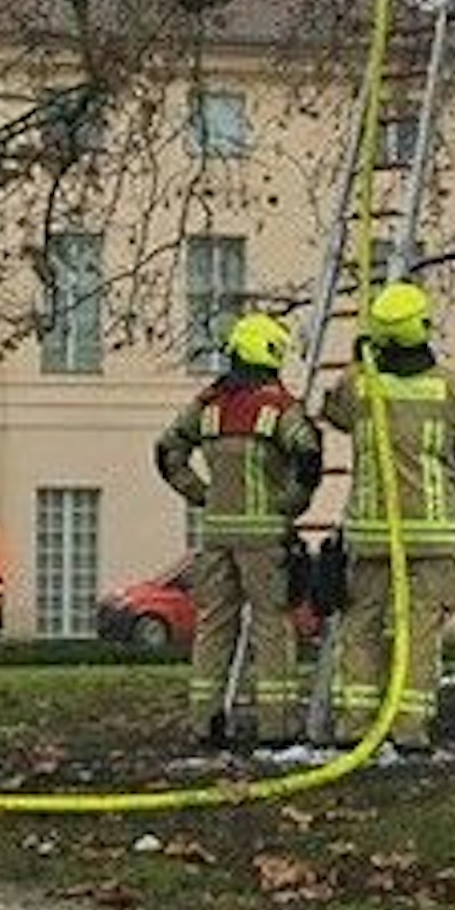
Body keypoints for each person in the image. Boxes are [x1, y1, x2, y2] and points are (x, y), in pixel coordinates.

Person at [320, 280, 455, 752]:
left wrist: (359, 360)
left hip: (371, 534)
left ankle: (355, 725)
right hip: (435, 536)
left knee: (361, 628)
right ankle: (409, 730)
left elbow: (331, 412)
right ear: (422, 328)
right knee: (420, 633)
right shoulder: (452, 389)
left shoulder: (361, 385)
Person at [155, 312, 322, 749]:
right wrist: (291, 503)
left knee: (213, 626)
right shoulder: (277, 407)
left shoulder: (207, 405)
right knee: (273, 627)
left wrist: (199, 493)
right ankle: (277, 726)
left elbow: (167, 449)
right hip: (265, 538)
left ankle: (205, 722)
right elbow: (309, 454)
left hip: (215, 535)